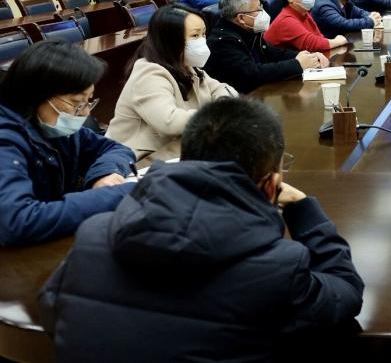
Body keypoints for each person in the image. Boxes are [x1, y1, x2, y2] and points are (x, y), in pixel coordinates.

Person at [39, 97, 364, 361]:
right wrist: (304, 211)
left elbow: (52, 309)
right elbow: (346, 295)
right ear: (271, 186)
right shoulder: (279, 267)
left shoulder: (94, 235)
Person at [0, 42, 135, 246]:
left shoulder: (54, 127)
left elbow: (115, 149)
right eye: (76, 103)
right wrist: (113, 196)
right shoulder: (6, 140)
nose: (85, 113)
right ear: (37, 94)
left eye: (88, 101)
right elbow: (17, 222)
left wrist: (104, 175)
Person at [106, 5, 237, 164]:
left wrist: (223, 104)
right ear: (171, 40)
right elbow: (170, 121)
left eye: (203, 34)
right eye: (195, 35)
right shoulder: (149, 73)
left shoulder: (187, 65)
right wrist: (217, 114)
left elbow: (221, 89)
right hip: (137, 160)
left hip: (175, 149)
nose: (202, 41)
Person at [205, 0, 327, 94]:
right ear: (241, 18)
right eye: (258, 9)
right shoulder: (222, 42)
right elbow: (251, 74)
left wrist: (308, 57)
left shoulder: (249, 31)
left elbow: (273, 53)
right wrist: (297, 64)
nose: (263, 12)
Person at [264, 0, 348, 53]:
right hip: (280, 61)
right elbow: (313, 45)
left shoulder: (304, 12)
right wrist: (338, 41)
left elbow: (318, 37)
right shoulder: (286, 20)